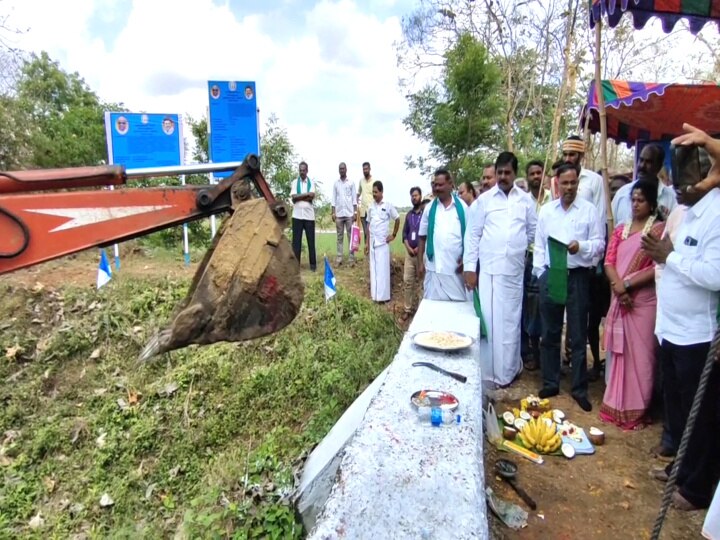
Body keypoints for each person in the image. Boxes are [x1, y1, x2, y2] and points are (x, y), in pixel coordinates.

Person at [642, 146, 720, 511]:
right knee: (677, 408)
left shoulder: (716, 214)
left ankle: (697, 488)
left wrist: (668, 256)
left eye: (683, 181)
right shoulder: (687, 212)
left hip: (697, 335)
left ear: (705, 180)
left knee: (699, 413)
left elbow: (714, 275)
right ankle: (682, 469)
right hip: (670, 328)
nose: (675, 186)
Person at [533, 162, 605, 411]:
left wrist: (581, 246)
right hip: (553, 275)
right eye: (564, 182)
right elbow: (539, 246)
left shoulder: (588, 210)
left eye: (573, 182)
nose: (569, 187)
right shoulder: (546, 211)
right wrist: (541, 274)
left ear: (578, 183)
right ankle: (551, 382)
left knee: (577, 335)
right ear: (556, 183)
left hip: (578, 276)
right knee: (550, 333)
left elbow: (599, 244)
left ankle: (579, 389)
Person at [464, 152, 537, 387]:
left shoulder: (525, 201)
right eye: (500, 173)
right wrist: (469, 268)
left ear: (515, 174)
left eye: (507, 173)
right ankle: (487, 371)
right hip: (488, 272)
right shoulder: (483, 202)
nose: (503, 177)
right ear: (495, 174)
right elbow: (473, 235)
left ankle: (508, 371)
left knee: (510, 322)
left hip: (514, 272)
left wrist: (521, 253)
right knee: (488, 320)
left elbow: (533, 233)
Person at [599, 179, 665, 430]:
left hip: (644, 302)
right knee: (622, 354)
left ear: (652, 204)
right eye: (633, 200)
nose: (635, 205)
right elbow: (609, 262)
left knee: (642, 356)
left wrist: (628, 285)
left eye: (641, 201)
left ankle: (638, 409)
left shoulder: (659, 231)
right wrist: (619, 287)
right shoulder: (621, 230)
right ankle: (616, 406)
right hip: (621, 298)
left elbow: (659, 266)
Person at [562, 135, 609, 382]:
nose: (569, 158)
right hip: (560, 264)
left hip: (585, 264)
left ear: (582, 156)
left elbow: (600, 221)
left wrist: (594, 260)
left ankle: (580, 378)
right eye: (566, 154)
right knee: (563, 321)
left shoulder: (595, 181)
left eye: (573, 155)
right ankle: (565, 364)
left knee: (582, 321)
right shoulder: (557, 179)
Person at [419, 169, 469, 302]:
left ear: (450, 184)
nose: (437, 188)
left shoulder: (463, 208)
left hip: (455, 270)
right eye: (435, 185)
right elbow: (422, 237)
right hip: (433, 268)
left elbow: (471, 238)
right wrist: (420, 263)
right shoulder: (429, 208)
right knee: (433, 310)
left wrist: (466, 259)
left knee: (457, 310)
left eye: (440, 185)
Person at [522, 160, 552, 370]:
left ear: (544, 175)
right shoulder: (523, 202)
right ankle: (532, 352)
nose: (535, 176)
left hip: (550, 259)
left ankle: (548, 351)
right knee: (531, 304)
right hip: (530, 258)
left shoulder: (553, 199)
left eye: (538, 173)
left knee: (547, 305)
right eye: (531, 173)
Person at [611, 144, 677, 224]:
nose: (642, 166)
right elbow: (611, 228)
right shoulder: (622, 194)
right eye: (641, 160)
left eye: (648, 162)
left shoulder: (671, 198)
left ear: (659, 166)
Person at [364, 181, 399, 302]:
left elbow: (397, 218)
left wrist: (393, 235)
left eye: (376, 192)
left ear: (381, 192)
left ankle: (384, 297)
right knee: (374, 270)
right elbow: (368, 225)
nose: (374, 194)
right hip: (373, 243)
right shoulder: (370, 207)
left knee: (383, 270)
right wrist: (367, 243)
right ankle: (374, 296)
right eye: (373, 192)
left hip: (383, 244)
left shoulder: (388, 205)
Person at [401, 187, 424, 321]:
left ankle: (421, 312)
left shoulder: (425, 213)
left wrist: (420, 249)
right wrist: (409, 247)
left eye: (415, 195)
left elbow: (426, 235)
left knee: (421, 283)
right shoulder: (409, 215)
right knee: (408, 282)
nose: (413, 198)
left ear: (420, 196)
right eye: (412, 196)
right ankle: (407, 310)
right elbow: (404, 234)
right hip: (410, 255)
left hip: (421, 255)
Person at [291, 161, 317, 271]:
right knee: (296, 242)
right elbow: (293, 198)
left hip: (309, 216)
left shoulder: (311, 182)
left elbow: (311, 196)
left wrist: (299, 196)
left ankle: (313, 266)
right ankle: (296, 266)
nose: (302, 172)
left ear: (307, 170)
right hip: (297, 216)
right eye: (300, 170)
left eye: (303, 170)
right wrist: (305, 195)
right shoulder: (294, 182)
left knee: (311, 241)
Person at [331, 162, 358, 266]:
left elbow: (354, 199)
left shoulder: (351, 183)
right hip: (339, 214)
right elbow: (333, 199)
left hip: (349, 214)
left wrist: (355, 212)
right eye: (340, 169)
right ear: (339, 170)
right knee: (339, 237)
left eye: (343, 168)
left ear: (346, 169)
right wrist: (333, 212)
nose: (342, 170)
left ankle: (351, 259)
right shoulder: (336, 184)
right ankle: (339, 258)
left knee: (350, 237)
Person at [357, 162, 375, 241]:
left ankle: (373, 252)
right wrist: (356, 198)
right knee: (365, 233)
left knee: (371, 233)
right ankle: (367, 252)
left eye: (366, 169)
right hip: (363, 212)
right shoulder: (361, 181)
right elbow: (359, 192)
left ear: (370, 169)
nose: (365, 171)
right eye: (364, 169)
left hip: (372, 211)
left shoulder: (374, 181)